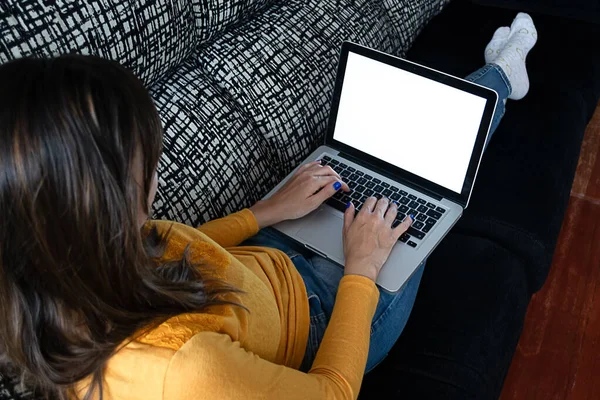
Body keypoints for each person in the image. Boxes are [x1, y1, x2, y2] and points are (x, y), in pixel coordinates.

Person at [0, 13, 537, 400]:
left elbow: (177, 247)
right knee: (429, 178)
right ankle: (503, 79)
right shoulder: (185, 373)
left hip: (261, 265)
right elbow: (331, 392)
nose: (157, 169)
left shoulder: (70, 279)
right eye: (145, 163)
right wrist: (363, 269)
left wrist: (266, 212)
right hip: (328, 323)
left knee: (374, 168)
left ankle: (491, 83)